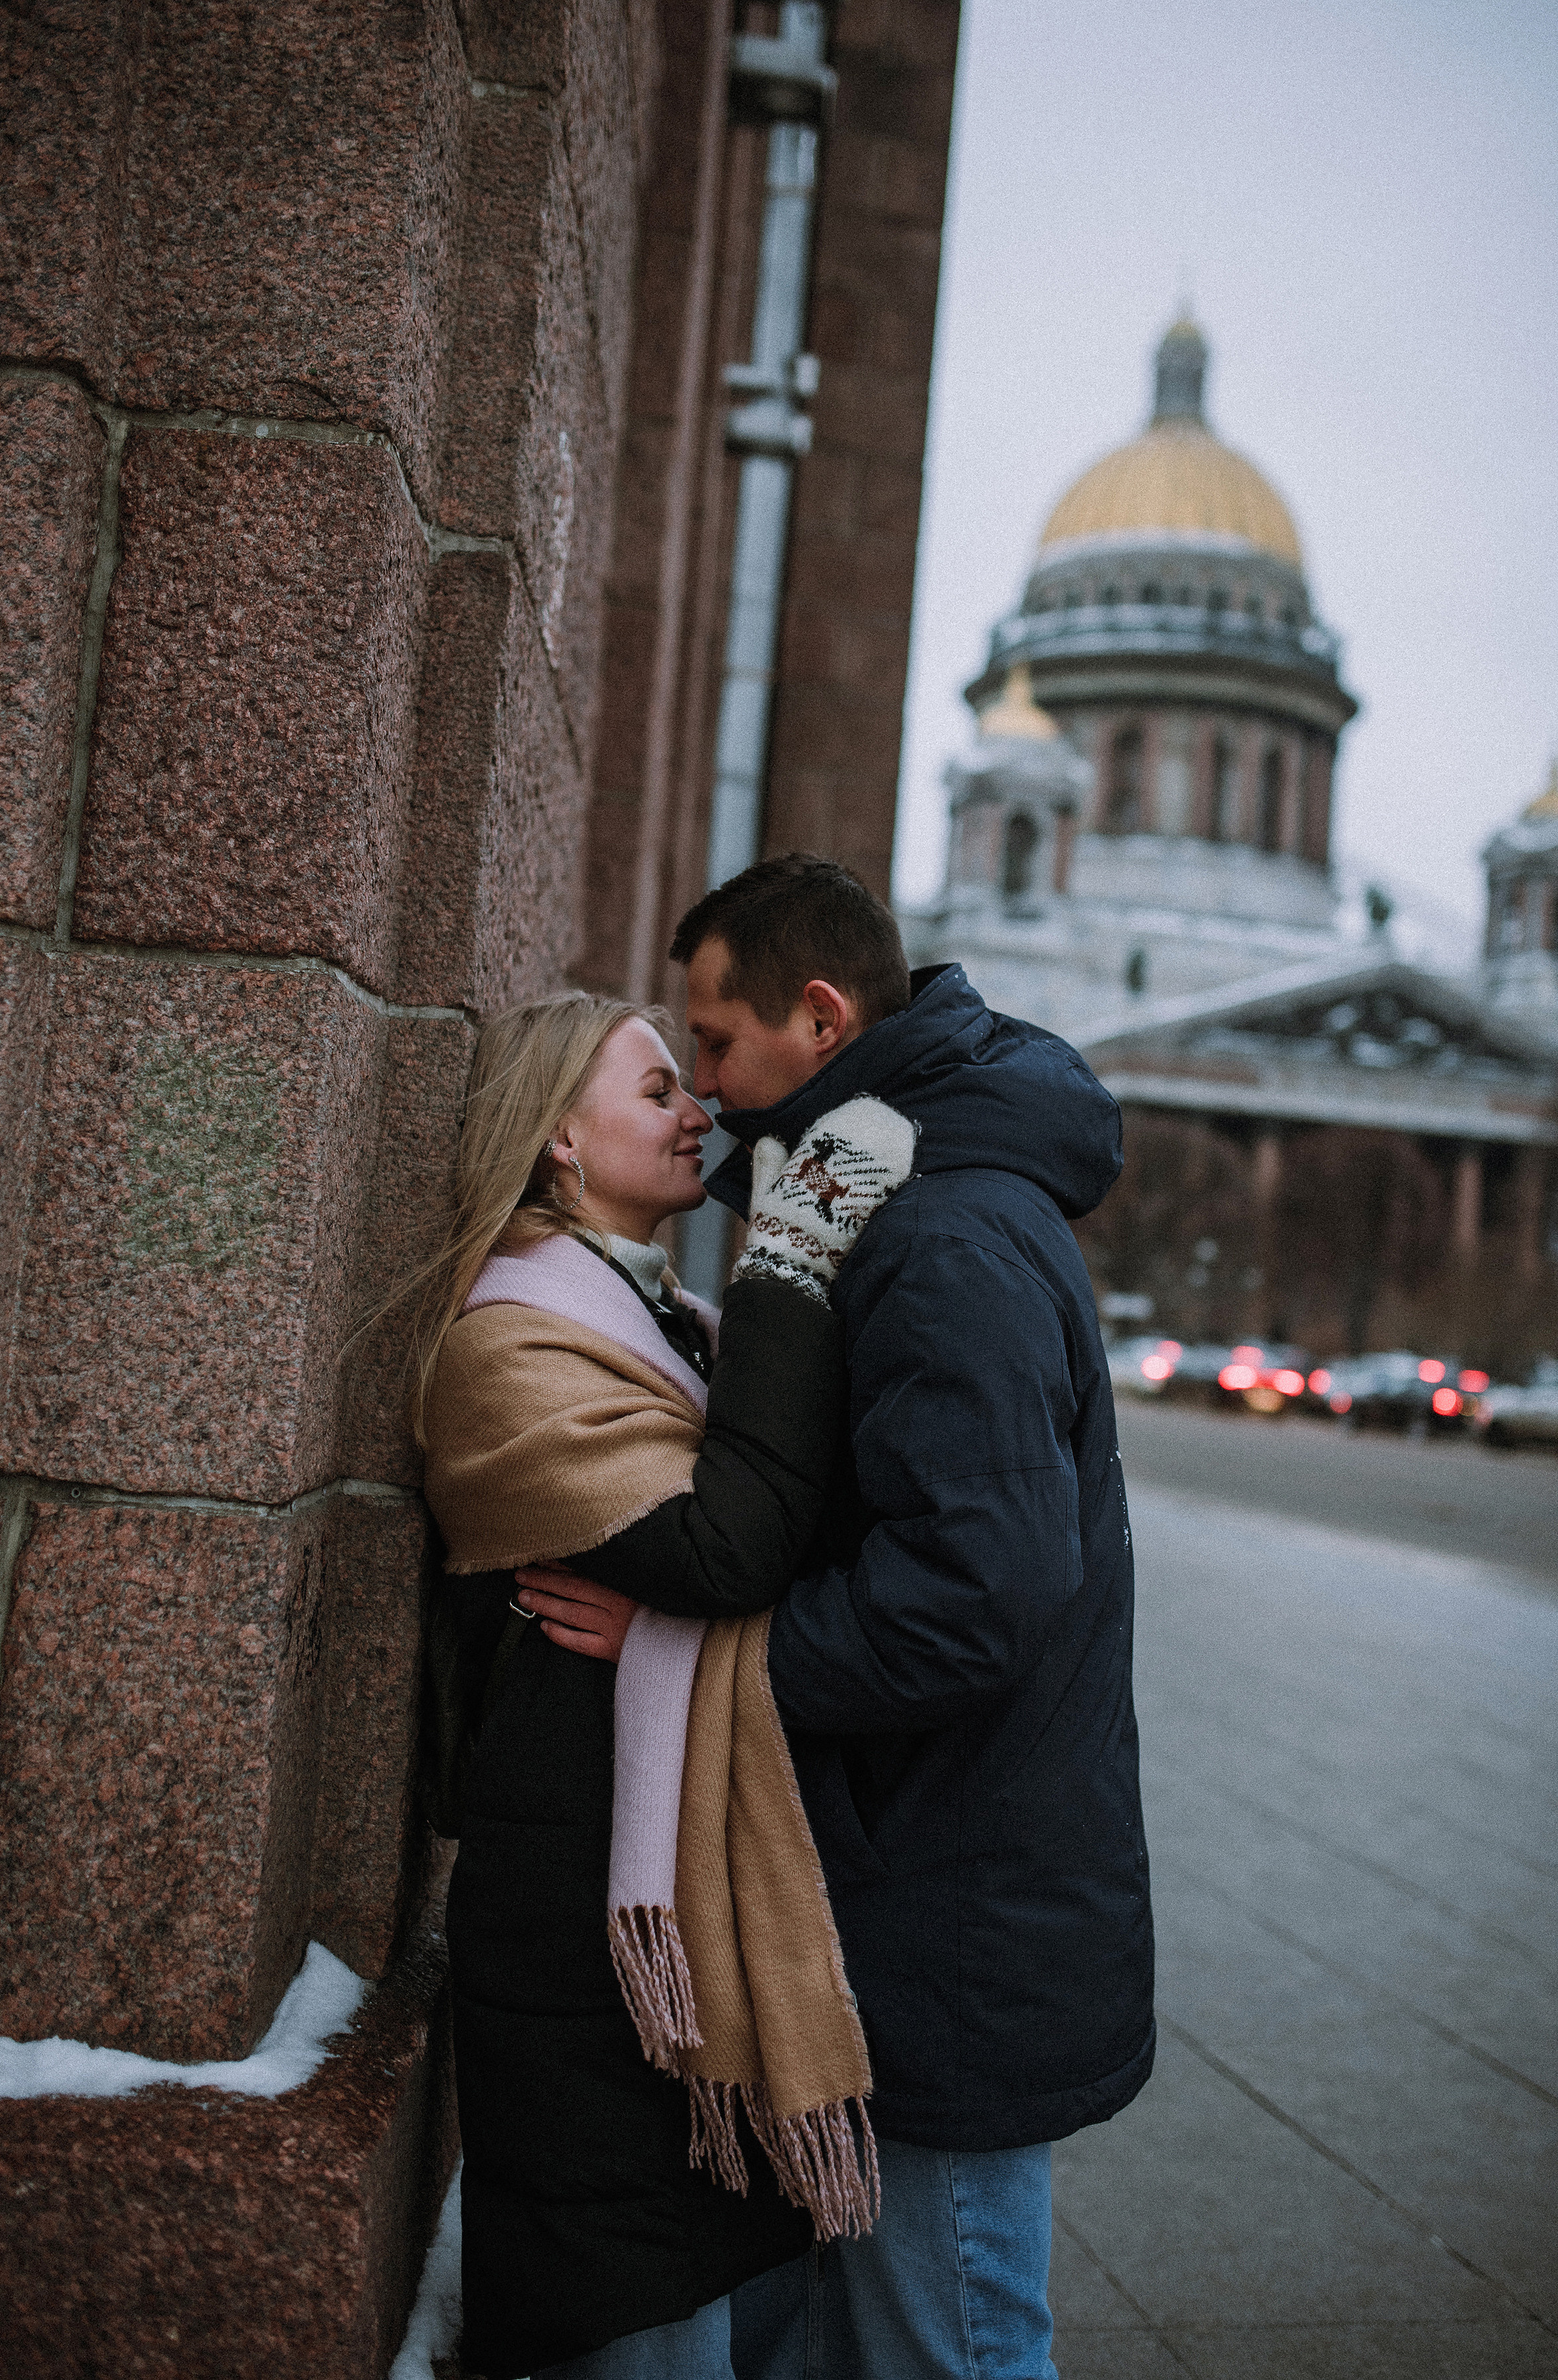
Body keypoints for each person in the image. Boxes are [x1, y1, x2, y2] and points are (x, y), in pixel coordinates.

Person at [523, 855, 1154, 2380]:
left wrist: (701, 1650)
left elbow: (974, 1600)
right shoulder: (882, 1195)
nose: (713, 1096)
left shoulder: (939, 1237)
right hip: (913, 1892)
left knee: (946, 2349)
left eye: (720, 1048)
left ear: (819, 1019)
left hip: (947, 1918)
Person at [414, 988, 915, 2380]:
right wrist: (790, 1270)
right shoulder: (510, 1342)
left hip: (672, 1910)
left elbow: (774, 1544)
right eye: (655, 1090)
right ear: (559, 1141)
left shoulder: (672, 1326)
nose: (700, 1109)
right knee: (641, 2327)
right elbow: (736, 1542)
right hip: (584, 1921)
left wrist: (671, 1624)